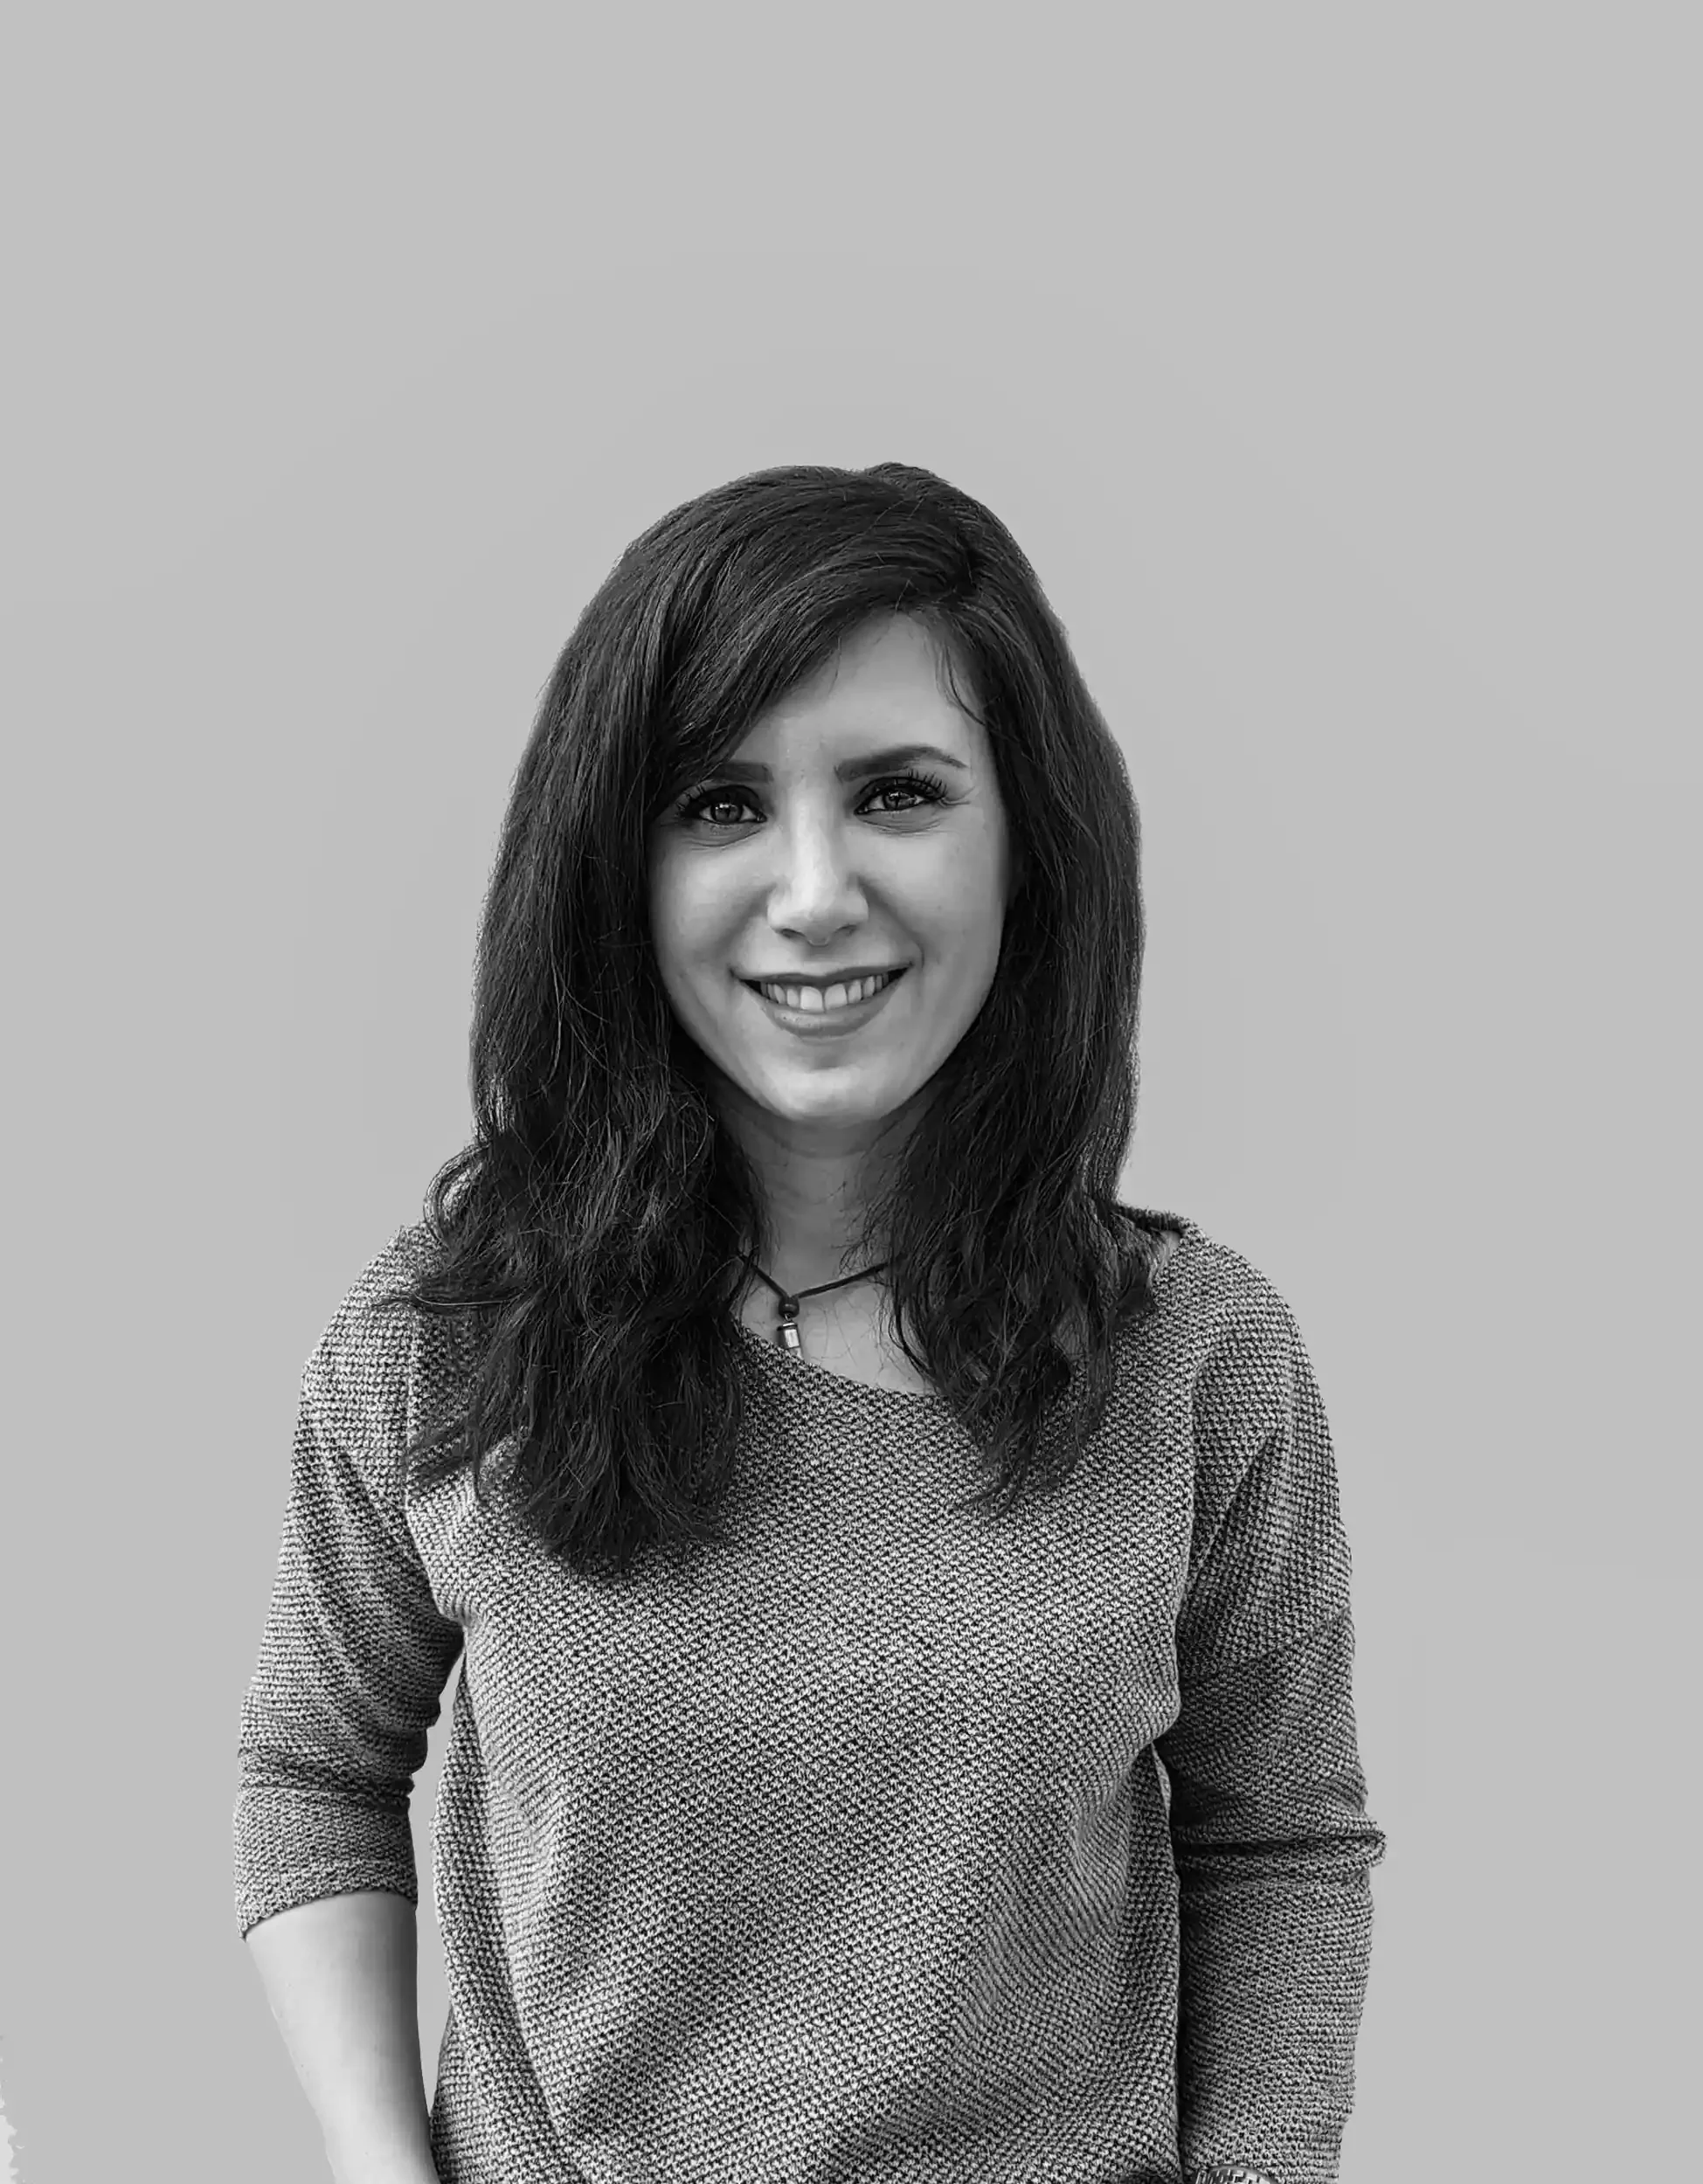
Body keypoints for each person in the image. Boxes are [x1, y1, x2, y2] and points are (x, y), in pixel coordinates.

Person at [234, 460, 1386, 2184]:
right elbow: (316, 1772)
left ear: (1023, 847)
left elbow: (1277, 1835)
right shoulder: (438, 1334)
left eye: (898, 792)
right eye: (717, 803)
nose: (812, 888)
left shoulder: (1197, 1356)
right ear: (615, 863)